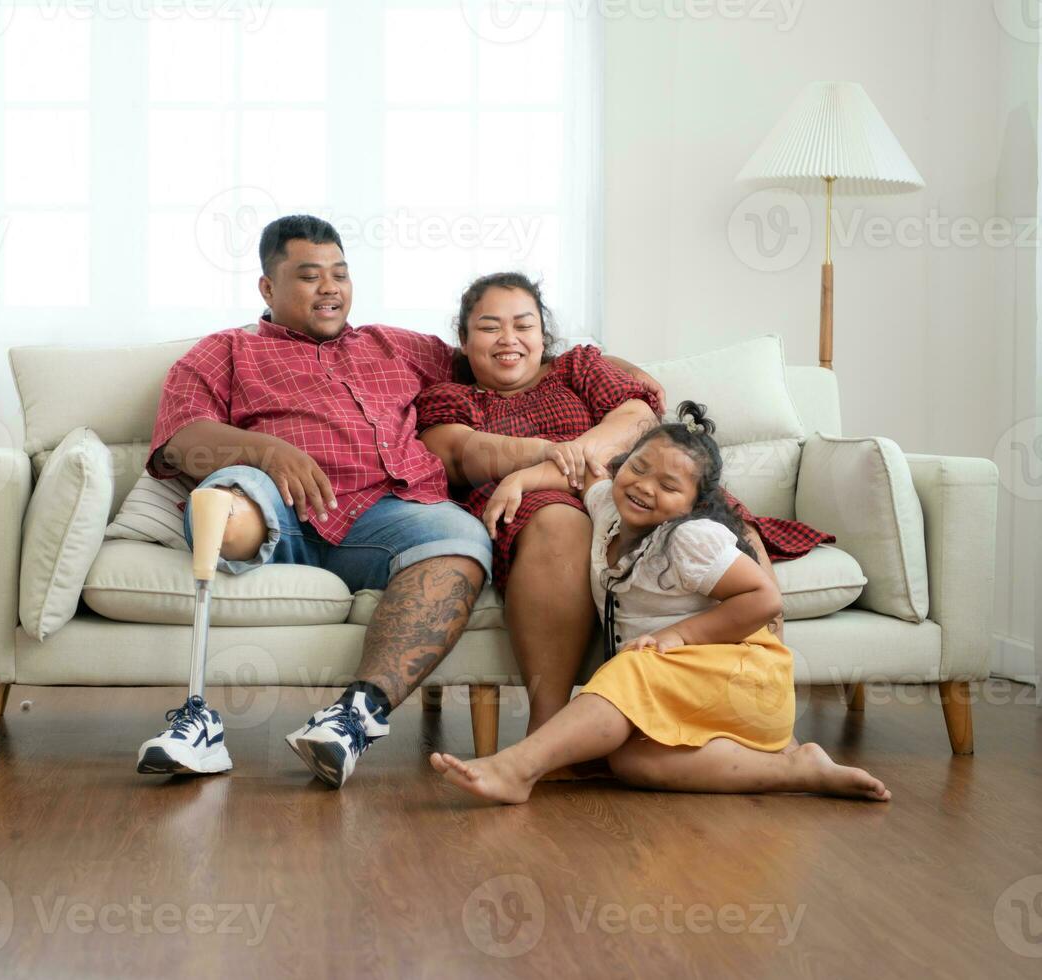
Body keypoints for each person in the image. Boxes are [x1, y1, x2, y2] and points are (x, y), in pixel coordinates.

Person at [134, 216, 665, 789]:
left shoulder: (397, 347)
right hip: (277, 505)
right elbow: (182, 439)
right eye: (310, 276)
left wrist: (617, 371)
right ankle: (196, 722)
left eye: (340, 274)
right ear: (267, 288)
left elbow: (502, 353)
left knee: (463, 539)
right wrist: (267, 451)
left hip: (387, 516)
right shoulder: (226, 351)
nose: (330, 288)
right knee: (225, 500)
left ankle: (352, 719)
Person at [414, 273, 831, 737]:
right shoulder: (450, 398)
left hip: (625, 484)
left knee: (720, 513)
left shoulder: (579, 368)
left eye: (523, 325)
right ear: (465, 340)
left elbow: (636, 419)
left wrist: (556, 463)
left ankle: (765, 700)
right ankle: (549, 728)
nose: (508, 338)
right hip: (542, 509)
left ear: (543, 335)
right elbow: (459, 452)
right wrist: (557, 466)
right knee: (558, 520)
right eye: (489, 327)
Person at [428, 402, 891, 805]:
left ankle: (517, 769)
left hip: (745, 681)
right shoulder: (610, 506)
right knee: (630, 761)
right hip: (690, 690)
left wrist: (678, 635)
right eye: (640, 467)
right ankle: (796, 770)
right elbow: (582, 471)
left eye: (669, 486)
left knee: (632, 666)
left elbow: (764, 598)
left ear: (694, 505)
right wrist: (520, 480)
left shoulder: (689, 539)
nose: (646, 486)